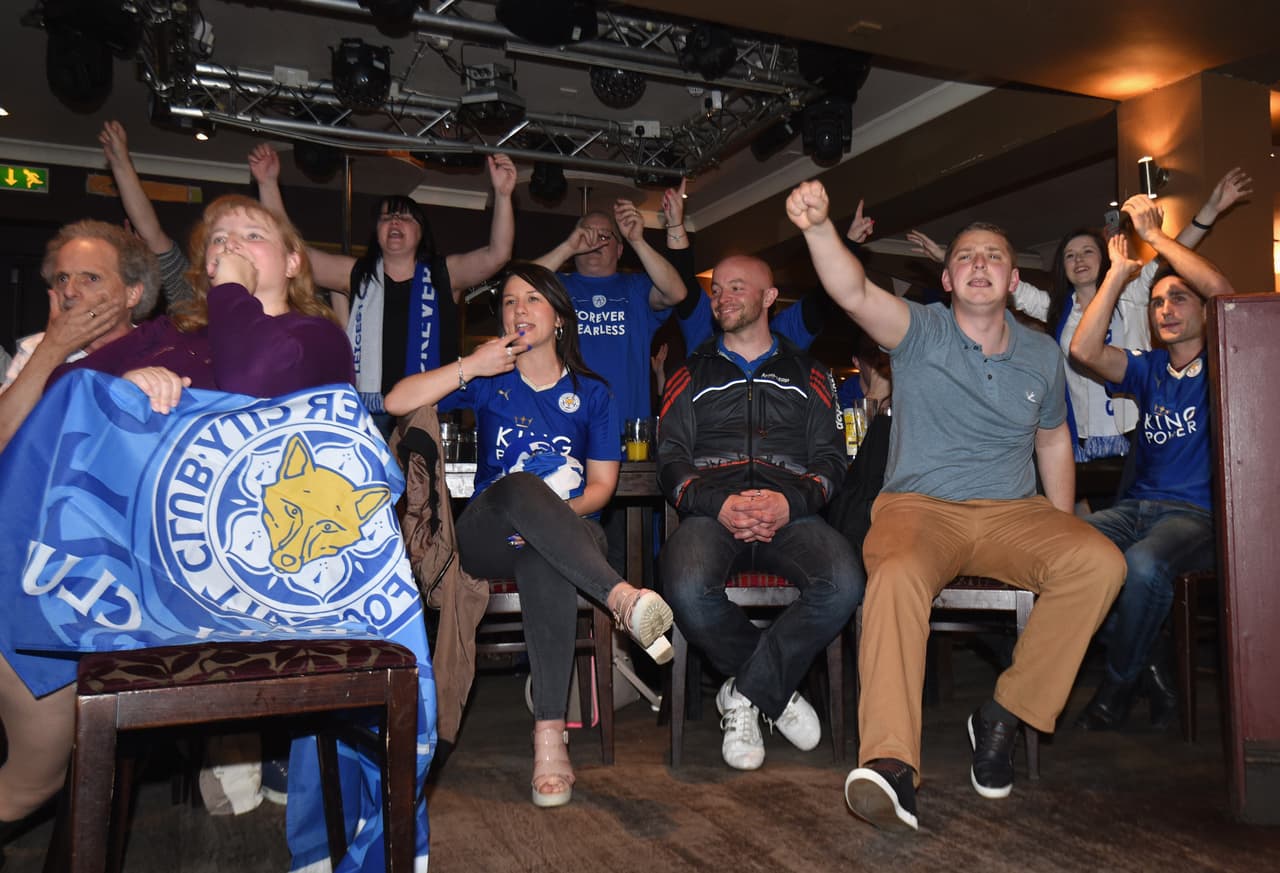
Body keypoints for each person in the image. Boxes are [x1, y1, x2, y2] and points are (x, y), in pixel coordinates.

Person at [0, 193, 351, 836]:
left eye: (252, 236)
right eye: (219, 241)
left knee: (34, 770)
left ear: (295, 261)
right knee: (31, 778)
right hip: (111, 569)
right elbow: (58, 410)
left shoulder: (317, 336)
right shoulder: (166, 335)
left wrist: (234, 294)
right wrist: (124, 385)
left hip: (231, 577)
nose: (232, 246)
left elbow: (251, 385)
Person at [790, 179, 1125, 832]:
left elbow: (1053, 438)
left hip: (1012, 512)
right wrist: (816, 228)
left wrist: (1059, 521)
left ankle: (1004, 711)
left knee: (1100, 561)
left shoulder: (1042, 354)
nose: (980, 264)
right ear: (946, 278)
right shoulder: (922, 331)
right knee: (894, 577)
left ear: (1011, 278)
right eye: (967, 256)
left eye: (994, 256)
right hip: (920, 508)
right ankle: (890, 764)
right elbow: (852, 290)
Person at [384, 262, 674, 808]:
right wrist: (471, 364)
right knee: (520, 486)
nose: (519, 309)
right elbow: (398, 400)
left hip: (567, 537)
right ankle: (621, 597)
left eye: (533, 300)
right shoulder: (490, 382)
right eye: (511, 301)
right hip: (488, 532)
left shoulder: (593, 394)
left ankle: (550, 741)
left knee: (548, 559)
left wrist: (549, 523)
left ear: (560, 317)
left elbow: (601, 488)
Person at [656, 253, 863, 771]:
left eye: (737, 288)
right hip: (711, 513)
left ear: (770, 298)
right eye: (717, 289)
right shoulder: (689, 373)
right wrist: (717, 503)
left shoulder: (812, 373)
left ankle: (744, 695)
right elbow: (671, 460)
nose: (721, 297)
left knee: (843, 581)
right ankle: (773, 693)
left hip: (793, 515)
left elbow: (832, 461)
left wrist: (789, 502)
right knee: (682, 585)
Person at [906, 167, 1250, 467]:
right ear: (1063, 267)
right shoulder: (1055, 309)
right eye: (1070, 255)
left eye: (1087, 251)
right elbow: (1000, 283)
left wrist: (1210, 210)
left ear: (1105, 257)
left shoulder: (1131, 295)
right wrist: (946, 258)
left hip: (1136, 434)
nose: (1079, 259)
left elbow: (1171, 253)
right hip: (1082, 440)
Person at [1069, 195, 1231, 731]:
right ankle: (1155, 668)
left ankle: (1115, 687)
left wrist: (1158, 239)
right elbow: (1084, 351)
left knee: (1142, 566)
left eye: (1179, 299)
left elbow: (1226, 294)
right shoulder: (1150, 368)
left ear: (1203, 314)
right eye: (1158, 302)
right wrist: (1117, 275)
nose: (1165, 309)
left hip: (1197, 518)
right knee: (1065, 551)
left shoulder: (1223, 365)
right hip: (1136, 508)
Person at [251, 144, 517, 419]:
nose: (394, 222)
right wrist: (268, 184)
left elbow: (497, 255)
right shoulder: (355, 274)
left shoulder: (444, 274)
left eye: (404, 217)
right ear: (376, 231)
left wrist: (503, 194)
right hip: (366, 414)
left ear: (420, 231)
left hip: (430, 410)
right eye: (387, 217)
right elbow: (290, 252)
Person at [0, 220, 160, 451]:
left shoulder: (160, 347)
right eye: (62, 278)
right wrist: (53, 348)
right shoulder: (37, 349)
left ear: (132, 293)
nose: (69, 291)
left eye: (91, 278)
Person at [534, 201, 686, 425]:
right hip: (565, 426)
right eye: (587, 235)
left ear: (620, 249)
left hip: (625, 427)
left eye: (604, 237)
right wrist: (568, 247)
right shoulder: (558, 287)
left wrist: (637, 240)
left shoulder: (636, 287)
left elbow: (677, 293)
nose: (594, 243)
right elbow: (519, 286)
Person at [99, 119, 195, 306]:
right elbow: (151, 234)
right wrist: (121, 163)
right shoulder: (194, 297)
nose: (230, 246)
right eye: (219, 239)